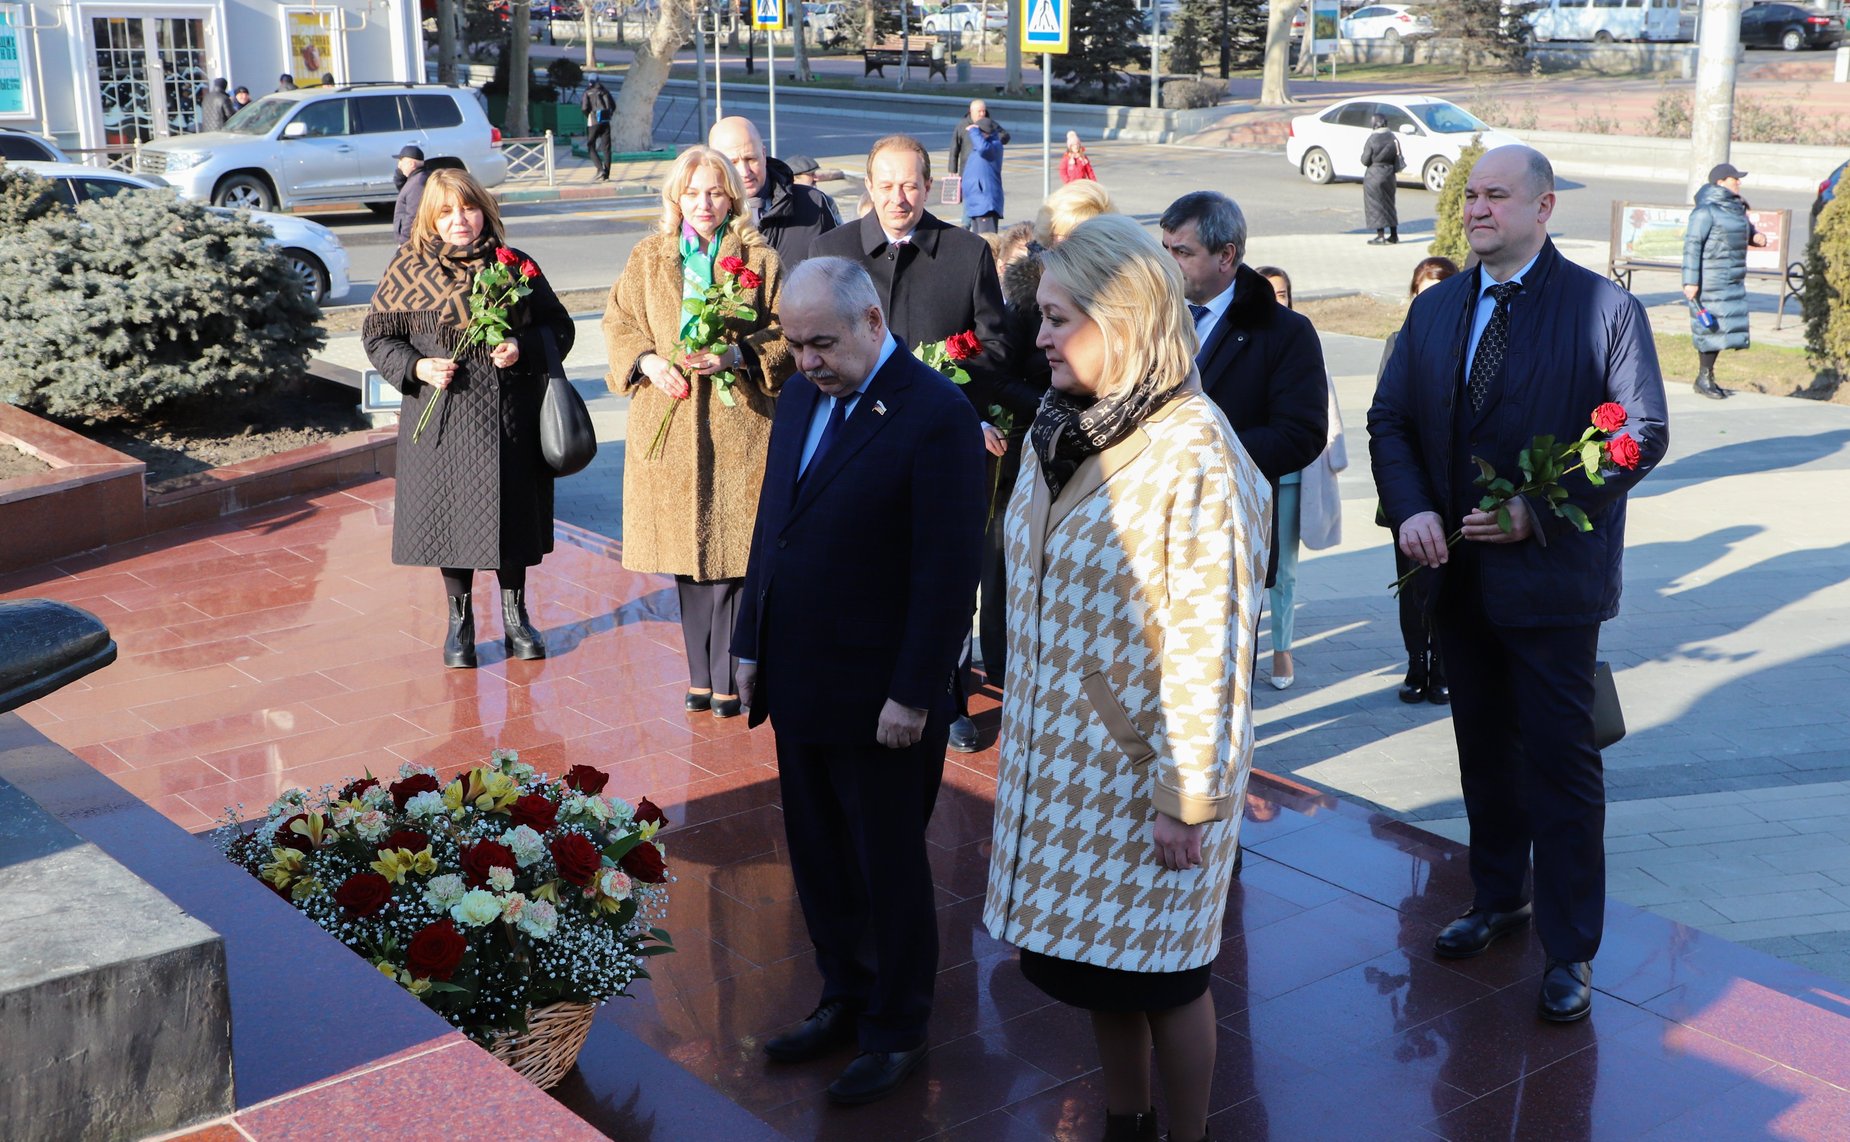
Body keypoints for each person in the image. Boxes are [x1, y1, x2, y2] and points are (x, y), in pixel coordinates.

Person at [1368, 145, 1669, 1024]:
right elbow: (1390, 418)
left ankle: (1570, 949)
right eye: (1472, 195)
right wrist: (1411, 509)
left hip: (1552, 584)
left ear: (1544, 208)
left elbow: (1639, 432)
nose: (1477, 209)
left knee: (1561, 766)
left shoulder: (1603, 308)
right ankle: (1500, 897)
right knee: (1483, 753)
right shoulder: (1436, 308)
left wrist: (1538, 510)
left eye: (1497, 196)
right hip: (1456, 579)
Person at [985, 214, 1269, 1142]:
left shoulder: (1196, 453)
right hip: (1069, 767)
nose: (1039, 337)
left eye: (1058, 318)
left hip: (1147, 774)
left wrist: (1187, 797)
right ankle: (1124, 1123)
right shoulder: (1062, 427)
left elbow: (1210, 641)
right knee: (1103, 971)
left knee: (1167, 976)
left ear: (1126, 321)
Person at [734, 257, 986, 1107]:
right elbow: (773, 526)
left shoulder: (937, 414)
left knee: (887, 869)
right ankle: (843, 994)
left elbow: (947, 572)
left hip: (883, 697)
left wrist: (914, 692)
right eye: (795, 343)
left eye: (822, 343)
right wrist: (749, 643)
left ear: (873, 323)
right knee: (820, 859)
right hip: (800, 679)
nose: (806, 361)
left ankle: (897, 1027)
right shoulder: (799, 397)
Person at [811, 134, 1013, 753]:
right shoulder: (831, 250)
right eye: (886, 185)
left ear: (929, 187)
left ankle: (949, 696)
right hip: (853, 442)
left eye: (910, 185)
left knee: (941, 572)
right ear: (868, 187)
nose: (898, 198)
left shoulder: (967, 253)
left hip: (938, 444)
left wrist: (950, 396)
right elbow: (810, 341)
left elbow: (995, 346)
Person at [602, 147, 791, 719]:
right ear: (675, 198)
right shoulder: (650, 256)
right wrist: (647, 361)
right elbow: (618, 320)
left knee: (735, 557)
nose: (703, 203)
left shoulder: (760, 259)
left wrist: (737, 354)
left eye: (714, 192)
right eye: (691, 193)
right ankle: (699, 678)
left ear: (732, 196)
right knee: (685, 558)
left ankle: (731, 677)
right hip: (669, 422)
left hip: (740, 427)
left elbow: (788, 332)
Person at [362, 168, 576, 669]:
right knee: (450, 520)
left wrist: (520, 346)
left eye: (469, 207)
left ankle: (516, 618)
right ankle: (459, 623)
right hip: (441, 417)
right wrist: (417, 367)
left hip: (510, 418)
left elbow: (559, 326)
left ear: (484, 210)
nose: (460, 220)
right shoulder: (408, 267)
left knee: (512, 519)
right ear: (430, 218)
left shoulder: (514, 265)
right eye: (446, 212)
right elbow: (377, 336)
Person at [1160, 191, 1328, 589]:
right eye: (1164, 249)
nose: (1167, 263)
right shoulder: (1150, 317)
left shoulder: (1284, 331)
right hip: (1148, 531)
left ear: (1226, 255)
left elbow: (1301, 435)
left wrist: (1203, 453)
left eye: (1182, 252)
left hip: (1227, 536)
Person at [1252, 266, 1347, 691]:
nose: (1277, 301)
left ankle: (1282, 647)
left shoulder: (1299, 338)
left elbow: (1322, 404)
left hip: (1290, 476)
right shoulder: (1242, 340)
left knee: (1284, 569)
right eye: (1268, 293)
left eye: (1283, 293)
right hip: (1247, 472)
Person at [1381, 255, 1460, 705]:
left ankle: (1445, 665)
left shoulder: (1467, 338)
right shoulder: (1399, 342)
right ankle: (1416, 662)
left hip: (1455, 490)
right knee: (1412, 583)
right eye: (1422, 294)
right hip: (1411, 486)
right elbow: (1386, 416)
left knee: (1448, 583)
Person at [1684, 162, 1768, 400]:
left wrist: (1755, 236)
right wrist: (1690, 281)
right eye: (1734, 178)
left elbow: (1739, 231)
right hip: (1710, 280)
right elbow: (1692, 246)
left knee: (1722, 328)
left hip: (1731, 278)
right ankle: (1704, 378)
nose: (1738, 182)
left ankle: (1706, 377)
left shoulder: (1734, 208)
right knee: (1710, 328)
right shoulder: (1705, 211)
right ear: (1720, 182)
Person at [708, 116, 838, 267]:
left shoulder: (812, 204)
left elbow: (840, 271)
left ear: (764, 154)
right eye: (733, 163)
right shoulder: (703, 214)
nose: (745, 172)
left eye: (751, 159)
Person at [958, 116, 1005, 234]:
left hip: (986, 204)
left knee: (988, 240)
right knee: (978, 241)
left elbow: (983, 148)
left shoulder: (993, 146)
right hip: (977, 203)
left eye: (978, 132)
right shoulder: (980, 148)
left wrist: (974, 130)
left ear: (985, 133)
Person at [1362, 112, 1403, 245]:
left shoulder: (1372, 139)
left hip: (1374, 176)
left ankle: (1380, 236)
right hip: (1389, 175)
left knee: (1376, 206)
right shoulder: (1393, 138)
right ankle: (1394, 235)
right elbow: (1397, 158)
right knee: (1390, 204)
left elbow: (1365, 160)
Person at [948, 98, 1009, 177]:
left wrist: (992, 136)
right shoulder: (962, 125)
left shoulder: (989, 124)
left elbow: (1005, 136)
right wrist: (952, 169)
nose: (982, 114)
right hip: (966, 168)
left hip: (985, 168)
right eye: (979, 111)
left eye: (984, 111)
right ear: (971, 111)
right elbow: (954, 148)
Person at [784, 154, 843, 226]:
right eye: (811, 174)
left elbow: (838, 227)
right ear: (794, 178)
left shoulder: (825, 200)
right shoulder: (780, 203)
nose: (816, 178)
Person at [391, 145, 428, 247]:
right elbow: (400, 184)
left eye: (401, 161)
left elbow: (413, 216)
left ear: (411, 164)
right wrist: (400, 171)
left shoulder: (417, 184)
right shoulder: (415, 178)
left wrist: (405, 242)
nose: (399, 165)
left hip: (413, 242)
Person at [581, 76, 615, 181]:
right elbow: (613, 106)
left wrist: (589, 116)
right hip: (605, 121)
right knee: (607, 148)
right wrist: (608, 115)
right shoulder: (605, 91)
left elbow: (584, 108)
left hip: (593, 122)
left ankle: (600, 169)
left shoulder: (587, 92)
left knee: (590, 145)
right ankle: (606, 175)